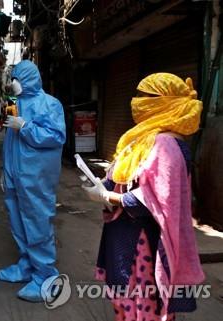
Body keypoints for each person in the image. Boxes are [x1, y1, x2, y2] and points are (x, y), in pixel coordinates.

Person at [82, 73, 205, 321]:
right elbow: (127, 175)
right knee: (126, 302)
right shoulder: (143, 137)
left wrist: (110, 197)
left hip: (143, 241)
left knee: (143, 303)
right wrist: (104, 185)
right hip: (126, 232)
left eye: (143, 96)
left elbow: (157, 199)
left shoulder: (166, 144)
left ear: (163, 102)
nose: (136, 102)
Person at [0, 60, 66, 302]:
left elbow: (56, 136)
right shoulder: (16, 103)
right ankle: (27, 265)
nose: (12, 82)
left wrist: (25, 126)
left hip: (36, 176)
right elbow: (10, 142)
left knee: (37, 224)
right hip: (16, 175)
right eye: (12, 77)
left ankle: (46, 277)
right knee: (18, 222)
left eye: (17, 77)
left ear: (29, 79)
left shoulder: (50, 104)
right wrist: (5, 172)